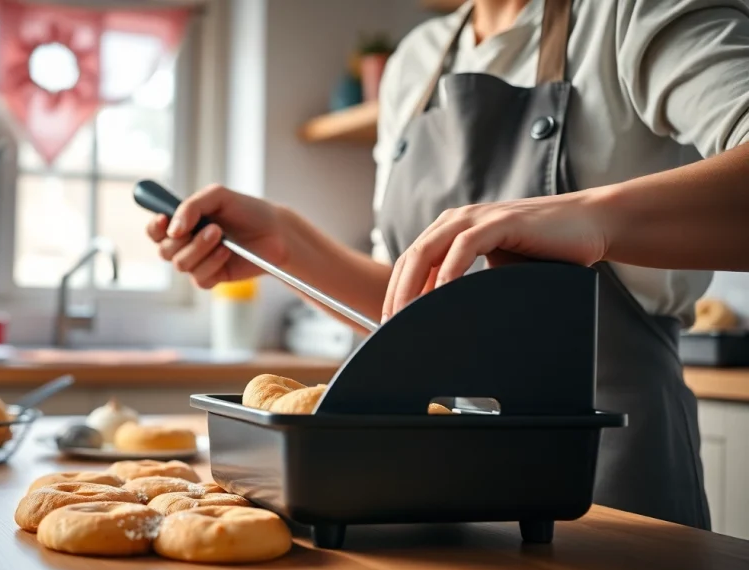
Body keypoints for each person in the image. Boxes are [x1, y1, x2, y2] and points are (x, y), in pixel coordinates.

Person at [145, 0, 749, 530]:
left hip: (613, 490)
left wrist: (593, 217)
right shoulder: (417, 62)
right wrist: (286, 243)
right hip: (430, 508)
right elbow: (419, 312)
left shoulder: (635, 13)